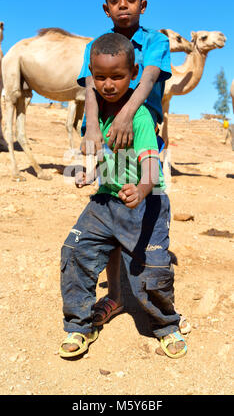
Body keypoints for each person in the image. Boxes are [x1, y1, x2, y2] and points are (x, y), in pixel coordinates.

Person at [59, 33, 187, 359]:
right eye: (100, 77)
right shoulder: (99, 113)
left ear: (132, 74)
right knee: (75, 252)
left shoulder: (139, 116)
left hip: (145, 204)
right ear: (91, 76)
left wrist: (142, 189)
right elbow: (108, 157)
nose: (109, 84)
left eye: (117, 76)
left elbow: (150, 167)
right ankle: (79, 325)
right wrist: (92, 172)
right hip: (107, 201)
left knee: (152, 270)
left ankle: (166, 325)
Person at [77, 0, 191, 335]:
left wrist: (127, 115)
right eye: (115, 0)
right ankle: (116, 294)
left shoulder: (155, 40)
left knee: (146, 202)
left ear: (142, 4)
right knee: (110, 208)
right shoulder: (96, 44)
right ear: (105, 8)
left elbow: (148, 78)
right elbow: (91, 89)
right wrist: (93, 127)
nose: (122, 5)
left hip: (141, 133)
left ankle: (155, 297)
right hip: (108, 138)